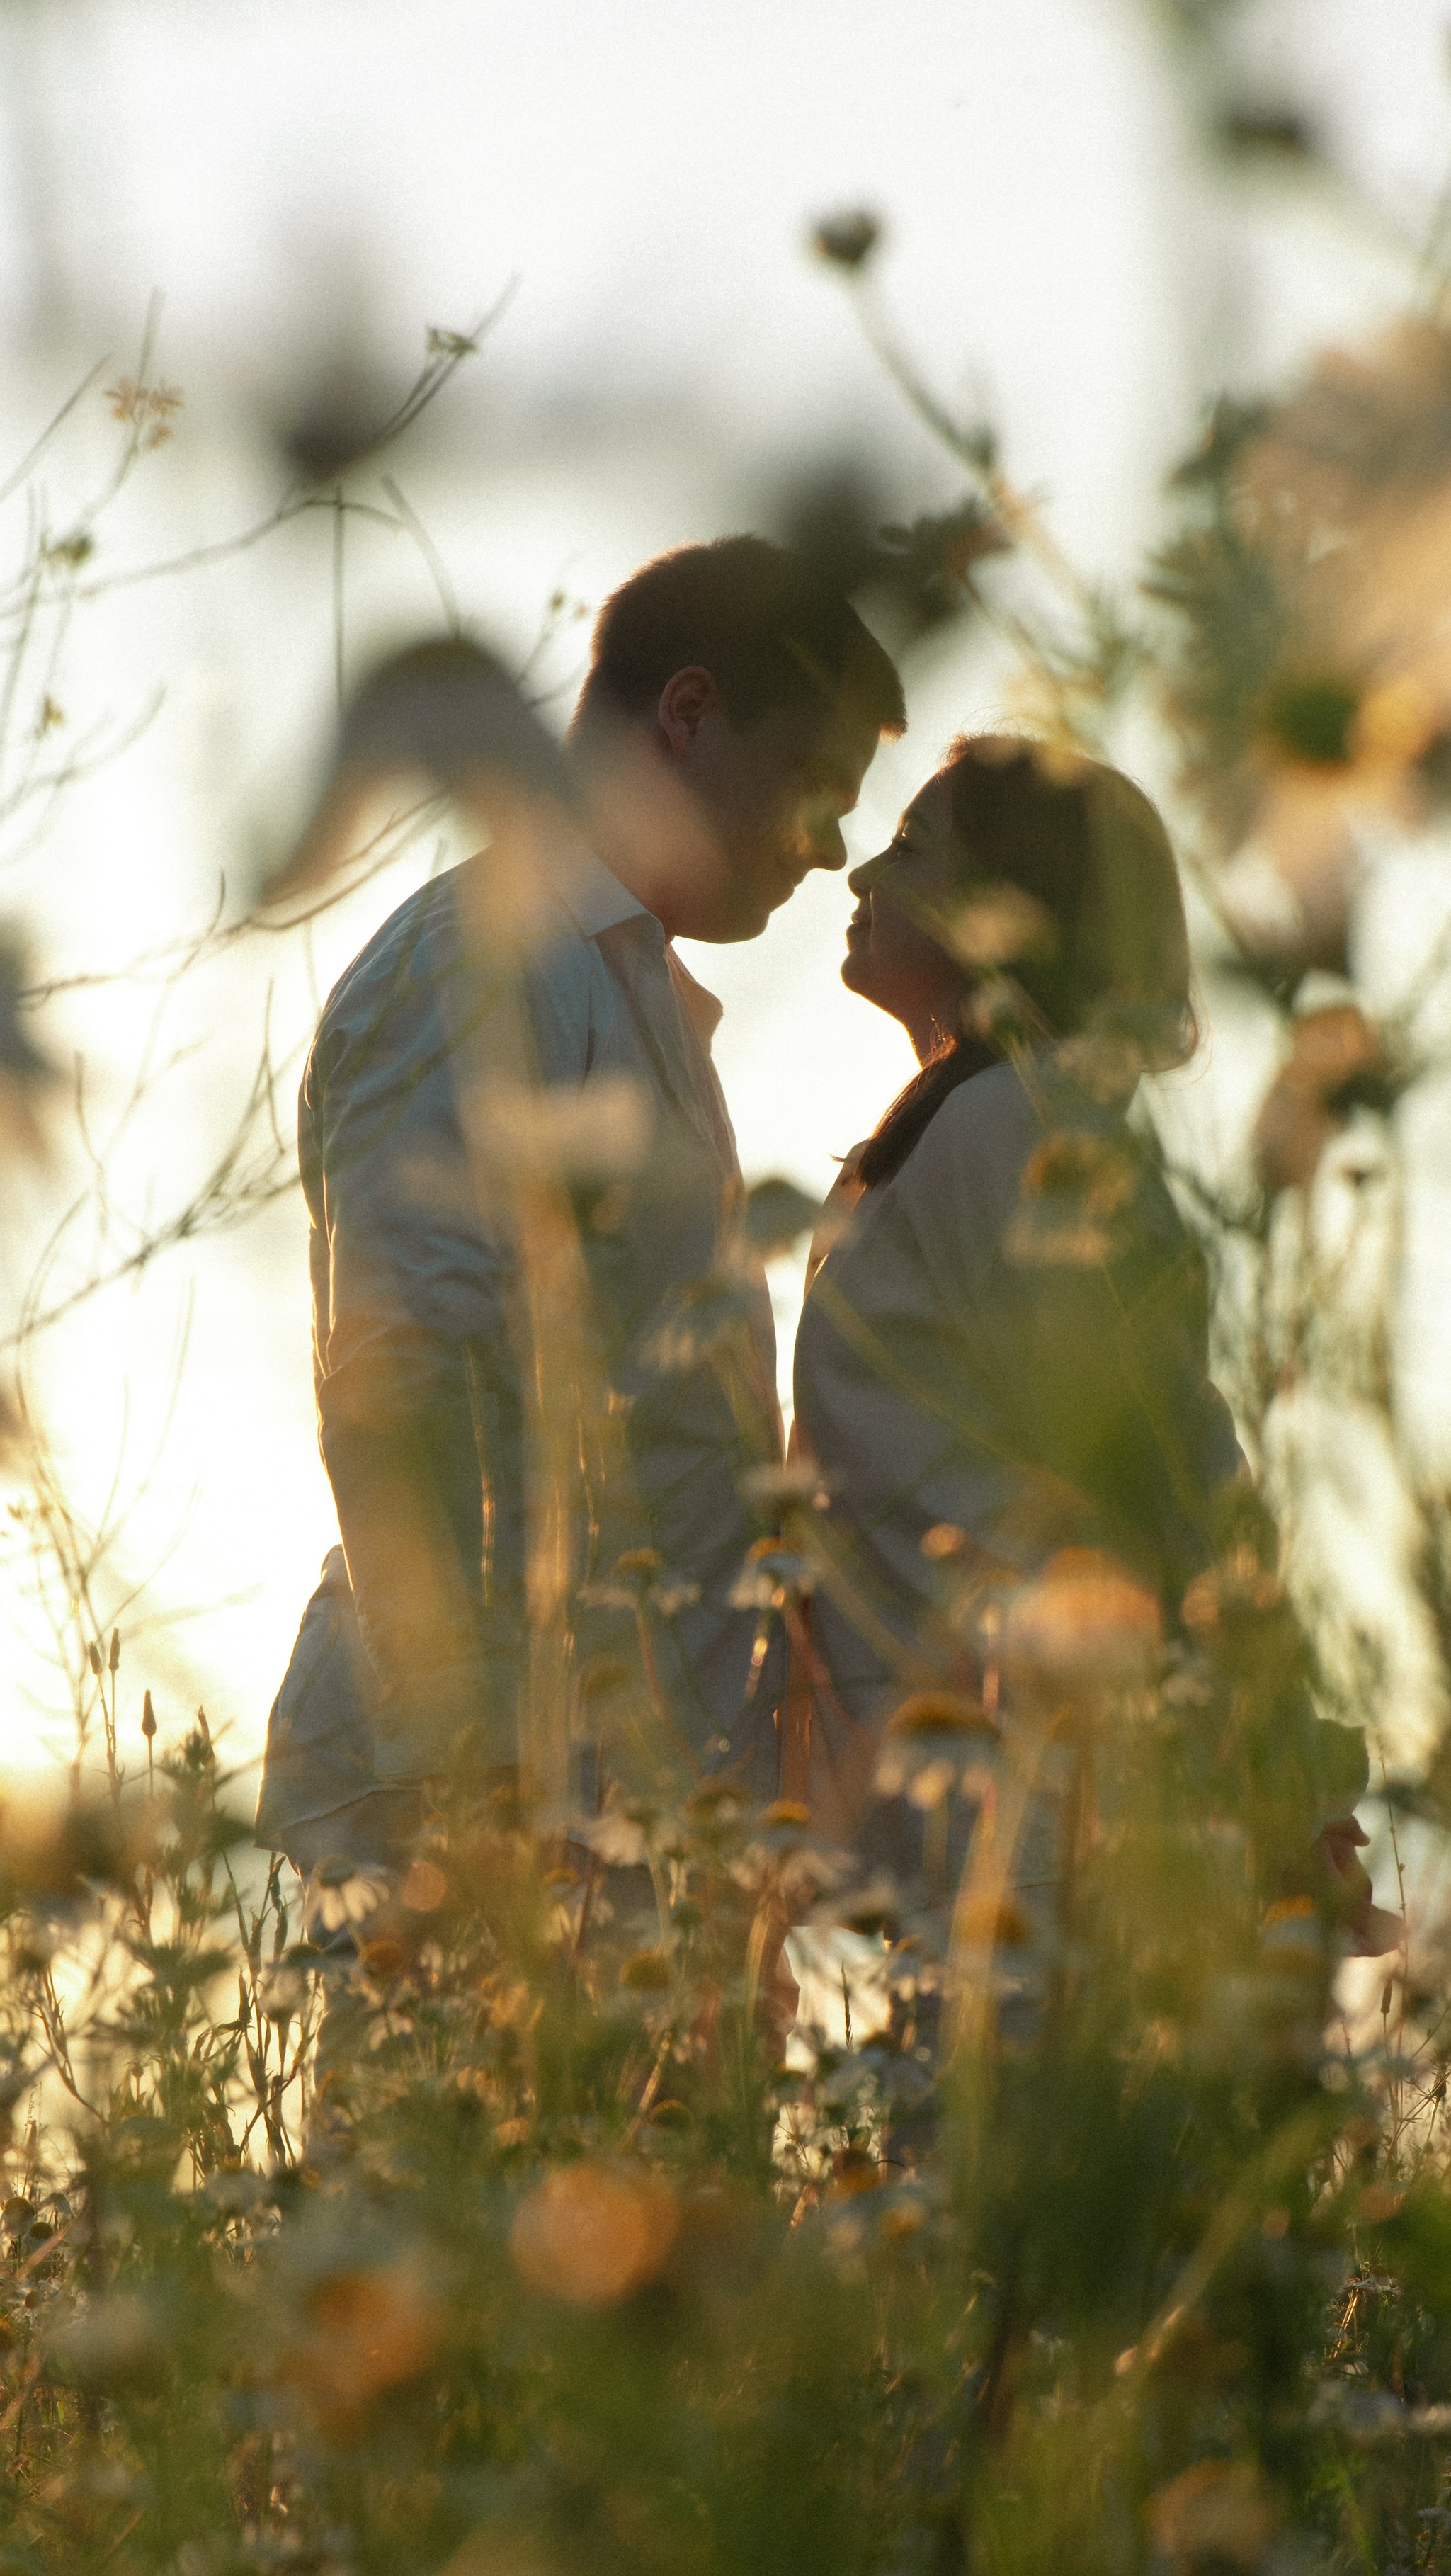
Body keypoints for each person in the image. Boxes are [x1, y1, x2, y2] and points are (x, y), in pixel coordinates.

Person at [256, 538, 907, 1896]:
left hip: (616, 1818)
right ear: (687, 715)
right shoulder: (488, 960)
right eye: (815, 784)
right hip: (486, 1826)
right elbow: (406, 1375)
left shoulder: (618, 989)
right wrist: (491, 1783)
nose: (834, 844)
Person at [787, 734, 1381, 1927]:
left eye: (908, 847)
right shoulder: (966, 1128)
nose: (859, 877)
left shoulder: (1023, 1123)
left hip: (1042, 1814)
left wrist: (1281, 1779)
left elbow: (1162, 1459)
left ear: (1005, 906)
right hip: (964, 1800)